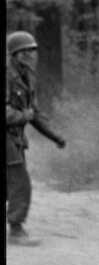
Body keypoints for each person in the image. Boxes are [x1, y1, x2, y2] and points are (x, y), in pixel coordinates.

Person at [6, 31, 67, 246]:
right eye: (26, 51)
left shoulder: (27, 75)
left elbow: (35, 111)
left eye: (32, 50)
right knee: (20, 183)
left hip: (14, 139)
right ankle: (16, 230)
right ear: (15, 53)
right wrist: (24, 116)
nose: (31, 54)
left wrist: (55, 136)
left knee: (11, 184)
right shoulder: (7, 75)